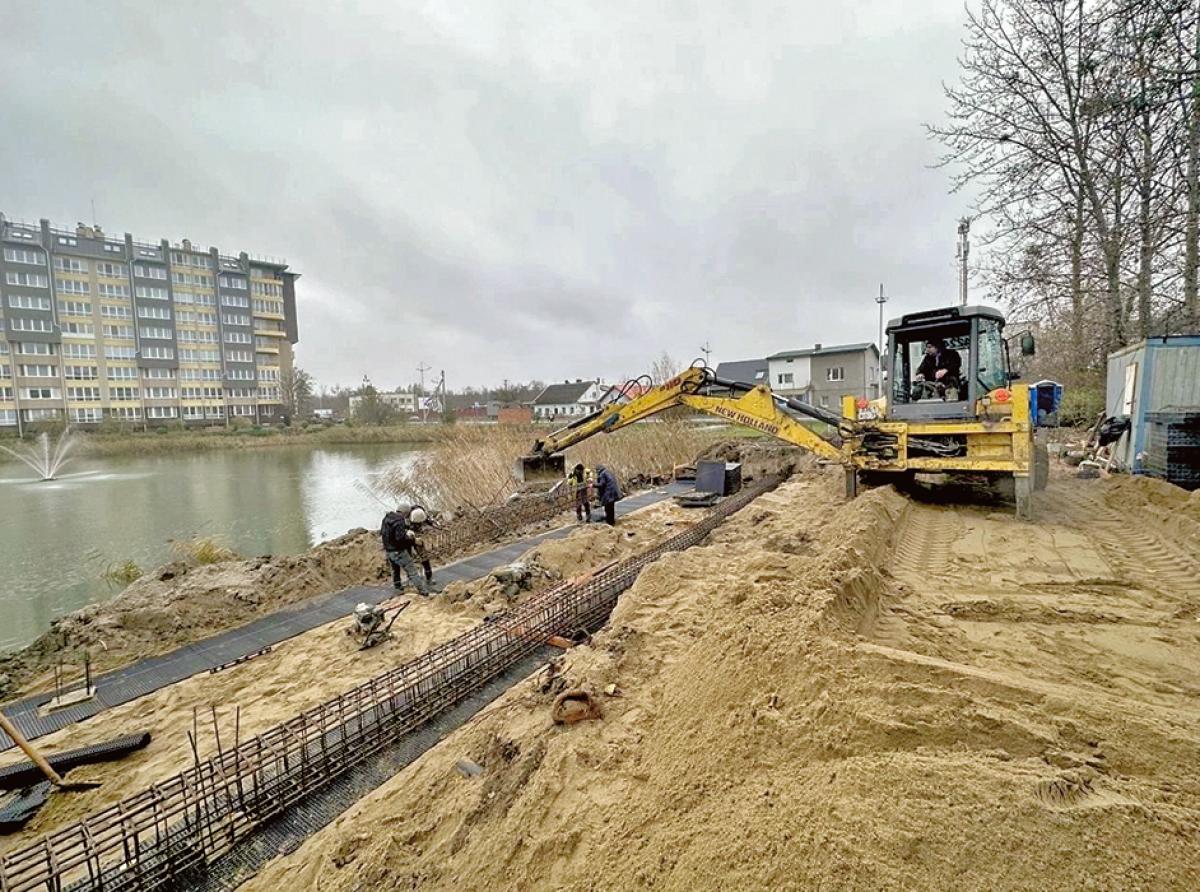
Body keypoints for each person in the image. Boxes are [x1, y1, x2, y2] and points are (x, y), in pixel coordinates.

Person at [380, 505, 431, 596]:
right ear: (406, 513)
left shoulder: (386, 518)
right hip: (398, 551)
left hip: (389, 550)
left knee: (395, 570)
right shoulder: (400, 521)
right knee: (412, 571)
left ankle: (398, 587)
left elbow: (384, 534)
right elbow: (400, 538)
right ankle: (424, 591)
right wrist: (413, 540)